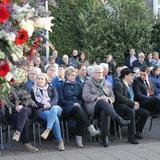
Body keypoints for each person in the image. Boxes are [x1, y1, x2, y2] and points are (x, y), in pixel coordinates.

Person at [82, 65, 130, 147]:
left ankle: (104, 137)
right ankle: (117, 119)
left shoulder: (107, 84)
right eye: (97, 72)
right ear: (93, 74)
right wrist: (98, 98)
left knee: (105, 111)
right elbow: (85, 96)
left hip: (106, 107)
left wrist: (108, 99)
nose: (100, 74)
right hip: (93, 106)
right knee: (102, 101)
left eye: (101, 72)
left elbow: (113, 97)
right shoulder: (88, 83)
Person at [58, 67, 100, 147]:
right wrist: (73, 104)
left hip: (78, 107)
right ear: (67, 76)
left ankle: (79, 139)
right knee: (79, 110)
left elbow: (82, 98)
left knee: (80, 113)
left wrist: (79, 103)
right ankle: (89, 128)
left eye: (74, 75)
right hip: (67, 108)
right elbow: (61, 100)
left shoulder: (78, 85)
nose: (74, 77)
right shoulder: (62, 86)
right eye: (72, 75)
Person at [113, 68, 149, 144]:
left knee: (145, 113)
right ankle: (131, 137)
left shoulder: (129, 84)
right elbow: (120, 98)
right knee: (131, 112)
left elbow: (131, 97)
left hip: (128, 105)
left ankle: (137, 131)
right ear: (126, 76)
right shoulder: (118, 84)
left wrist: (135, 103)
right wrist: (133, 104)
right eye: (131, 75)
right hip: (119, 106)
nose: (133, 77)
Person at [30, 73, 65, 151]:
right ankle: (60, 141)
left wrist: (49, 104)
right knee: (54, 117)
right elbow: (33, 103)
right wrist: (42, 105)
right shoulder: (33, 90)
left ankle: (48, 129)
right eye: (38, 79)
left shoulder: (52, 88)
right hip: (42, 110)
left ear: (45, 80)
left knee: (54, 109)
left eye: (42, 79)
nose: (40, 80)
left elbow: (56, 99)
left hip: (55, 108)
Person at [10, 84, 39, 152]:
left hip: (26, 108)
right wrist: (15, 107)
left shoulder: (26, 87)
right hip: (14, 112)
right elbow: (6, 102)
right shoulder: (7, 88)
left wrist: (22, 105)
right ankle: (26, 143)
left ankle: (18, 132)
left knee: (24, 111)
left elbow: (30, 100)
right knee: (25, 118)